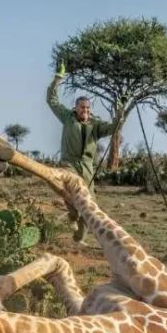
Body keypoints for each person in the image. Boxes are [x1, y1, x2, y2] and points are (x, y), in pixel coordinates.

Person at [47, 61, 116, 242]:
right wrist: (58, 78)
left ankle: (81, 234)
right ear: (76, 108)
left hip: (87, 168)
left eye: (87, 108)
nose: (84, 111)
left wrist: (122, 111)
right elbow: (51, 100)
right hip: (69, 163)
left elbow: (113, 127)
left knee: (89, 203)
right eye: (81, 108)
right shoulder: (67, 118)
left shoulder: (96, 124)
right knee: (71, 193)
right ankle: (72, 215)